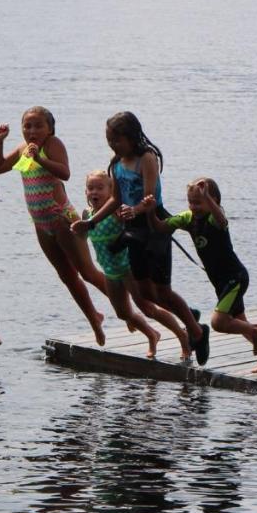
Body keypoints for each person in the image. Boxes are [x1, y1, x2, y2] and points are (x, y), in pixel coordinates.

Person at [72, 111, 209, 365]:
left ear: (132, 136)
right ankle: (189, 316)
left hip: (154, 226)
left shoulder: (147, 158)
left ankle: (197, 332)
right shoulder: (116, 164)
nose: (113, 144)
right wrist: (91, 222)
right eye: (109, 139)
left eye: (117, 139)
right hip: (133, 232)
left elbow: (150, 198)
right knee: (146, 294)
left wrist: (134, 210)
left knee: (162, 291)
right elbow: (116, 199)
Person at [0, 106, 109, 345]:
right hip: (40, 223)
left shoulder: (52, 145)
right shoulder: (24, 149)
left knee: (87, 273)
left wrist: (40, 159)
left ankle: (129, 308)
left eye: (38, 126)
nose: (32, 130)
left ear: (50, 128)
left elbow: (65, 173)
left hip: (62, 219)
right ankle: (94, 319)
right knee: (66, 276)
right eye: (27, 126)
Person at [147, 178, 257, 373]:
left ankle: (255, 331)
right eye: (190, 202)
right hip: (220, 282)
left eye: (198, 202)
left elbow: (221, 219)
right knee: (238, 318)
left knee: (218, 322)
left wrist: (208, 198)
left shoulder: (214, 219)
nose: (194, 207)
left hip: (235, 277)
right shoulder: (188, 218)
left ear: (213, 201)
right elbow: (160, 227)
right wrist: (149, 210)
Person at [82, 170, 192, 360]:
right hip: (110, 270)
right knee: (123, 313)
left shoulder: (116, 211)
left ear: (111, 191)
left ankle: (183, 336)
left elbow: (134, 223)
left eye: (100, 188)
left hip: (128, 268)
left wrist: (138, 209)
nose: (95, 192)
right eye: (91, 188)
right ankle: (152, 334)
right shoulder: (87, 214)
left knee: (148, 308)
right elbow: (81, 234)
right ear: (86, 192)